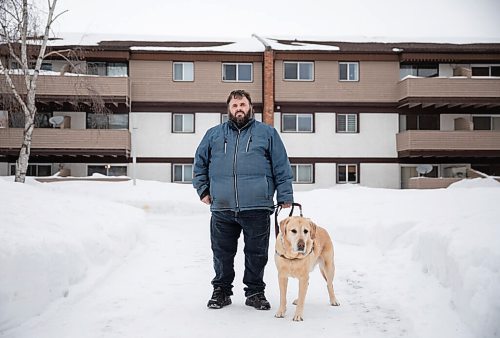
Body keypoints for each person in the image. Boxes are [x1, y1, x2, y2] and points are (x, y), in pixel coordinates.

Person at [193, 89, 294, 310]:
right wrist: (203, 190)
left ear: (250, 108)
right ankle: (221, 291)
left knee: (256, 253)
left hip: (257, 205)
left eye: (243, 105)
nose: (239, 109)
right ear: (229, 109)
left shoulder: (267, 134)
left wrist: (285, 195)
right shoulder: (213, 135)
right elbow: (199, 164)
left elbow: (281, 166)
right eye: (235, 106)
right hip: (222, 206)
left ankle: (255, 292)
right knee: (221, 253)